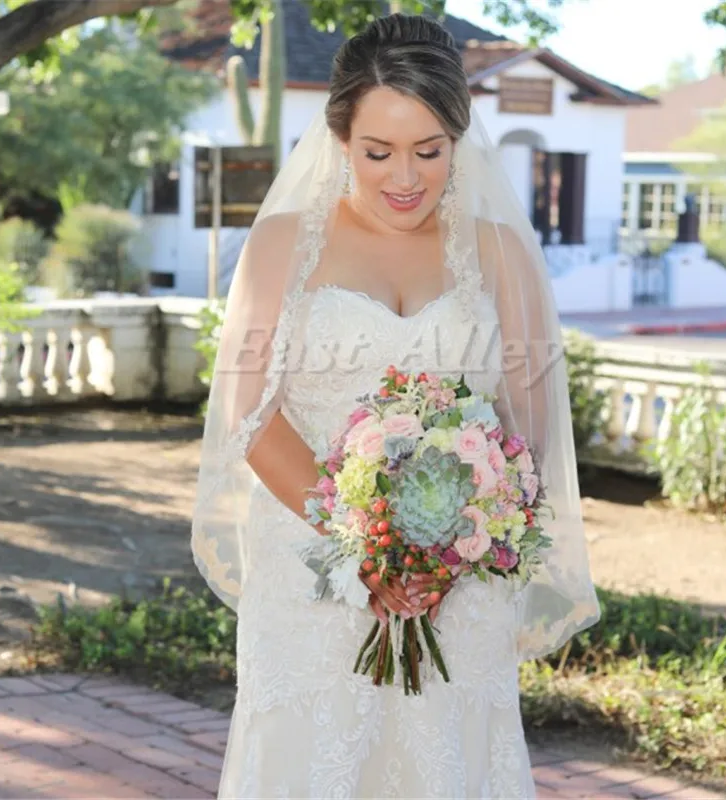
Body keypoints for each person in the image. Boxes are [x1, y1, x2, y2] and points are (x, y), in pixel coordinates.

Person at [192, 13, 600, 798]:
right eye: (378, 152)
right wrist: (366, 549)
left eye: (429, 151)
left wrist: (453, 549)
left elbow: (529, 428)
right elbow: (249, 414)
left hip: (459, 584)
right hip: (312, 576)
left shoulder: (501, 252)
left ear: (459, 138)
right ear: (342, 139)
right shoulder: (280, 244)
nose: (404, 177)